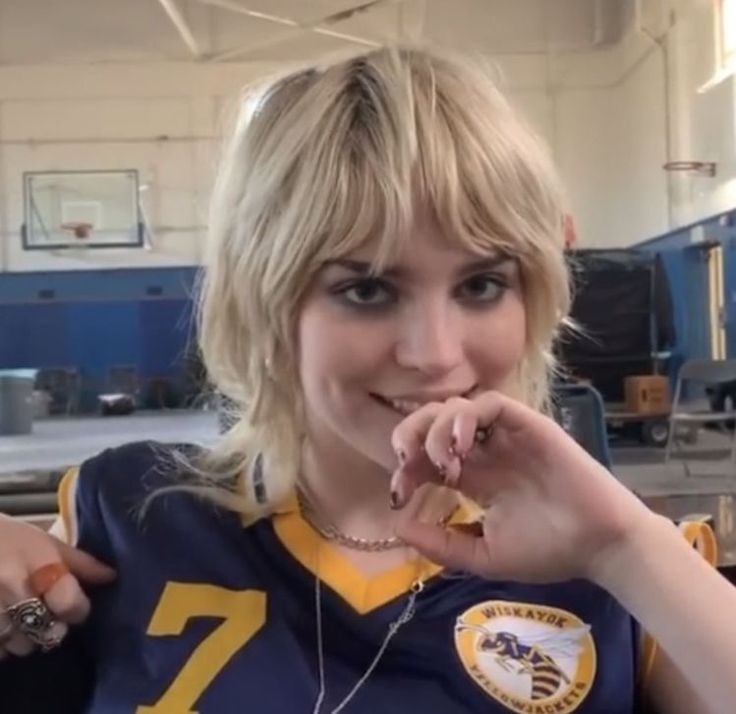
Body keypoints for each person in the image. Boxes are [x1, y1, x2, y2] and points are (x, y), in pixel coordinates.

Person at [1, 46, 734, 714]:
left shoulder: (632, 574)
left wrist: (622, 550)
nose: (436, 355)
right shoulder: (133, 518)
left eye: (481, 285)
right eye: (368, 290)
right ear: (267, 301)